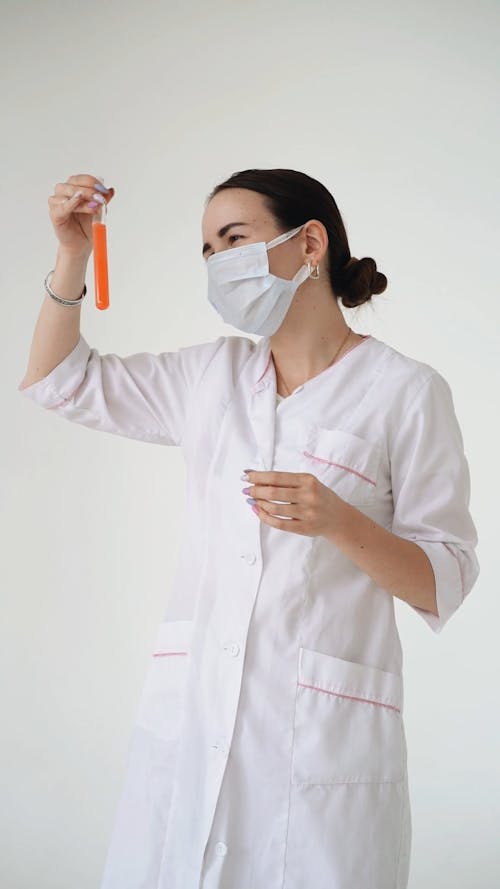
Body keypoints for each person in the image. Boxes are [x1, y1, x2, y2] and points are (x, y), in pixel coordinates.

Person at [18, 168, 480, 889]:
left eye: (234, 238)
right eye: (206, 249)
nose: (217, 262)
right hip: (192, 734)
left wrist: (338, 520)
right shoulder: (211, 376)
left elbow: (445, 577)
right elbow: (58, 381)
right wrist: (73, 256)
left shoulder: (406, 392)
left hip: (319, 754)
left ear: (310, 244)